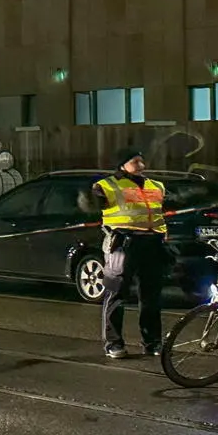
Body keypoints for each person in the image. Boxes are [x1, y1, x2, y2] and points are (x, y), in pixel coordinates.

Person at [78, 147, 167, 359]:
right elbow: (89, 205)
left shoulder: (156, 186)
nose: (141, 166)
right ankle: (114, 343)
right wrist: (88, 197)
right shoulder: (106, 185)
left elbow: (161, 211)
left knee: (151, 297)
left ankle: (153, 342)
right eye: (136, 162)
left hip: (152, 243)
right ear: (122, 164)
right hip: (122, 244)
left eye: (141, 161)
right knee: (116, 294)